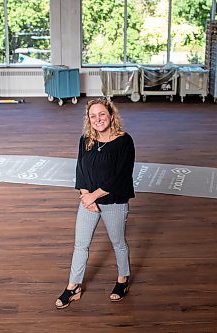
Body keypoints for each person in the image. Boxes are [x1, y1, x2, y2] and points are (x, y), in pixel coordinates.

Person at [55, 98, 136, 309]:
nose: (98, 119)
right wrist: (85, 195)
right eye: (93, 116)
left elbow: (121, 177)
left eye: (102, 114)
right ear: (89, 120)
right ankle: (73, 287)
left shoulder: (124, 141)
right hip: (88, 201)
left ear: (111, 115)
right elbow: (80, 169)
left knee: (118, 243)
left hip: (113, 201)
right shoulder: (86, 139)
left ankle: (122, 279)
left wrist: (94, 196)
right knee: (80, 245)